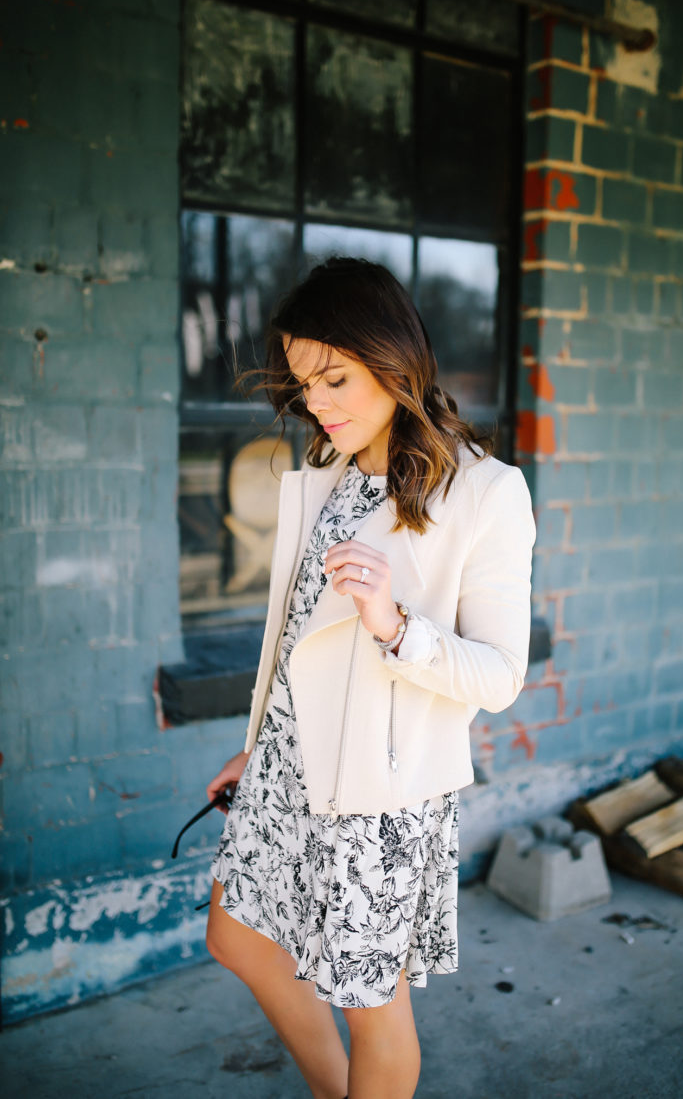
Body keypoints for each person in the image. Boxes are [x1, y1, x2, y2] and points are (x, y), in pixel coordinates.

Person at [205, 257, 536, 1099]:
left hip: (376, 799)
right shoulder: (327, 469)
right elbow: (292, 643)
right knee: (236, 935)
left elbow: (500, 676)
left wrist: (396, 626)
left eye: (336, 377)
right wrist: (258, 750)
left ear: (394, 362)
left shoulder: (486, 492)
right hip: (288, 765)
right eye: (305, 380)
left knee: (373, 1009)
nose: (316, 401)